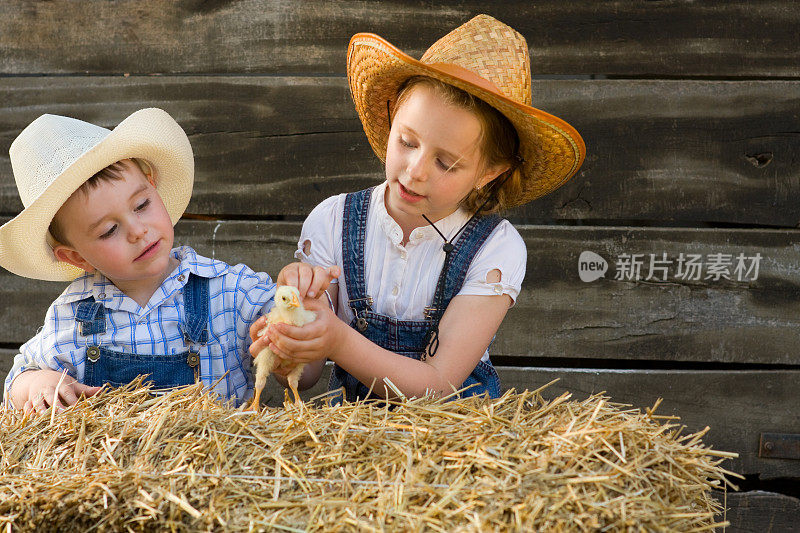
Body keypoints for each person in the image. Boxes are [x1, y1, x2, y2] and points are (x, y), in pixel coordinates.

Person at [248, 15, 586, 402]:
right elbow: (305, 377)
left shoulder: (496, 249)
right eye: (407, 142)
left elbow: (439, 386)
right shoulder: (332, 222)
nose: (416, 170)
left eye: (446, 164)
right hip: (352, 446)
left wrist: (337, 339)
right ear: (392, 120)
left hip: (457, 446)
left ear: (489, 172)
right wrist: (291, 334)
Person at [0, 108, 283, 411]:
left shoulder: (228, 290)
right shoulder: (72, 317)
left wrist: (287, 338)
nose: (137, 231)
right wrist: (38, 384)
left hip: (219, 456)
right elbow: (17, 381)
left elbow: (303, 351)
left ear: (153, 185)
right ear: (77, 257)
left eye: (142, 204)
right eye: (109, 230)